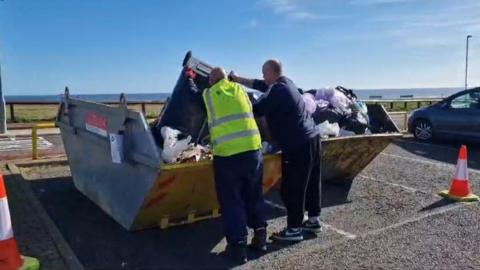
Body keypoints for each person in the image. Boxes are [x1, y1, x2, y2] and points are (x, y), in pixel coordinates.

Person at [230, 59, 322, 242]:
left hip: (297, 144)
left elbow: (255, 109)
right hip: (313, 138)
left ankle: (294, 230)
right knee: (311, 181)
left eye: (264, 73)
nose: (263, 77)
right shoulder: (287, 83)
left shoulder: (277, 91)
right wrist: (237, 79)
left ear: (271, 72)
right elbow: (259, 84)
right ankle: (313, 220)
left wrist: (236, 97)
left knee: (292, 187)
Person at [185, 67, 267, 264]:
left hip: (229, 156)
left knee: (232, 200)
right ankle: (261, 238)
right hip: (254, 151)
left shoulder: (210, 94)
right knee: (254, 194)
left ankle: (238, 247)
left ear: (212, 80)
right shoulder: (241, 91)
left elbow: (193, 96)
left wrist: (189, 77)